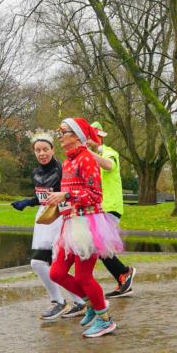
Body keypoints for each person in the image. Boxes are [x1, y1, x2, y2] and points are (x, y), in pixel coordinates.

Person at [46, 118, 125, 338]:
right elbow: (69, 195)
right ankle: (92, 304)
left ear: (77, 135)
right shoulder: (67, 162)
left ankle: (104, 319)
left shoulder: (86, 158)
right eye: (59, 131)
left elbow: (96, 195)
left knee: (83, 276)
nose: (60, 135)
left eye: (64, 132)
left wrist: (67, 195)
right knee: (57, 272)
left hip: (88, 225)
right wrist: (58, 206)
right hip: (70, 223)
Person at [10, 132, 90, 320]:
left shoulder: (63, 168)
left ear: (53, 149)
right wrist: (29, 202)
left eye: (45, 149)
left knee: (51, 263)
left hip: (63, 217)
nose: (42, 153)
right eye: (38, 150)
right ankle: (68, 301)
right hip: (45, 219)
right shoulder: (35, 172)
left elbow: (73, 191)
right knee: (40, 263)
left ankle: (74, 301)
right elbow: (43, 196)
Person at [85, 121, 137, 299]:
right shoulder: (87, 157)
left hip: (110, 206)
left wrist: (87, 152)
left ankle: (124, 273)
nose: (94, 139)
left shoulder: (109, 152)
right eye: (91, 137)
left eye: (96, 136)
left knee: (99, 246)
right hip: (95, 208)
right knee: (98, 247)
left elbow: (108, 165)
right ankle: (122, 276)